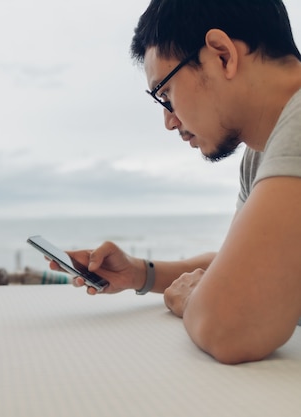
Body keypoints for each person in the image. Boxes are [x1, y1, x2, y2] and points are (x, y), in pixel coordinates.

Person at [49, 0, 301, 364]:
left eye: (164, 94)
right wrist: (142, 274)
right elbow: (250, 266)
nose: (169, 121)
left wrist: (191, 300)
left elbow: (229, 326)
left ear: (221, 55)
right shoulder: (261, 155)